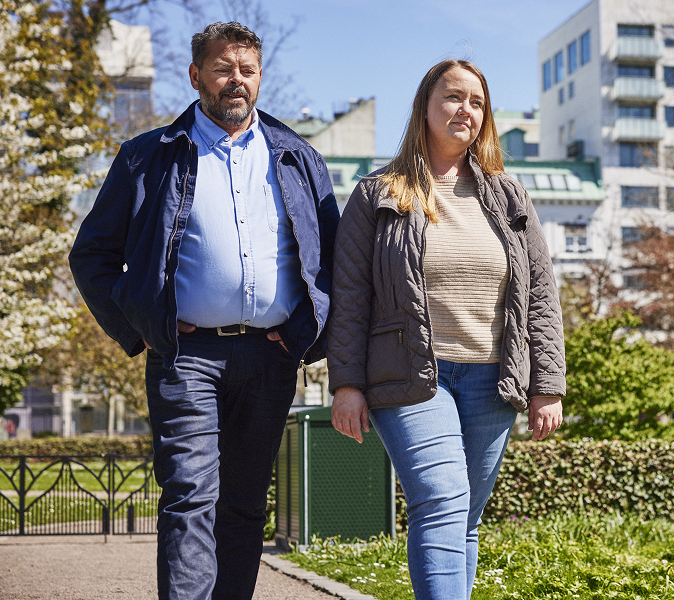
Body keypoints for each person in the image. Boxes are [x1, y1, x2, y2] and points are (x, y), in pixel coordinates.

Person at [69, 22, 338, 600]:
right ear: (196, 76)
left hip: (271, 356)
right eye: (223, 69)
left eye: (247, 70)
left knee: (243, 506)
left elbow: (331, 258)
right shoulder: (148, 157)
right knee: (191, 495)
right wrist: (142, 326)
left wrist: (304, 337)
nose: (236, 80)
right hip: (185, 356)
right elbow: (91, 254)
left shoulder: (299, 157)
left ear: (259, 77)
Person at [328, 59, 566, 600]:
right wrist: (345, 384)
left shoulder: (510, 197)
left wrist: (547, 384)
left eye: (477, 102)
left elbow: (540, 297)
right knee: (440, 499)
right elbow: (349, 298)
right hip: (410, 376)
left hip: (493, 379)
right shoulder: (377, 195)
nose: (466, 109)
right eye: (453, 97)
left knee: (464, 518)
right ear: (425, 106)